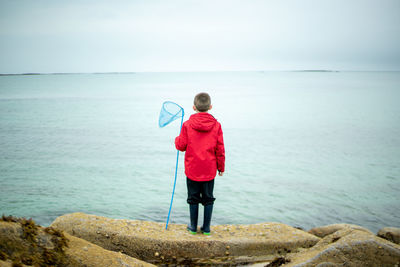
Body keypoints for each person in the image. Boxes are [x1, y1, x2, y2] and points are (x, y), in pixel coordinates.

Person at [175, 92, 225, 235]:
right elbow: (220, 148)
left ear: (193, 107)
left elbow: (181, 146)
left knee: (193, 198)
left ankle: (192, 227)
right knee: (208, 199)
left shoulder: (187, 125)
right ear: (210, 106)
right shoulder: (216, 125)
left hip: (192, 170)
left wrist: (176, 139)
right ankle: (206, 228)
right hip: (209, 170)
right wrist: (221, 167)